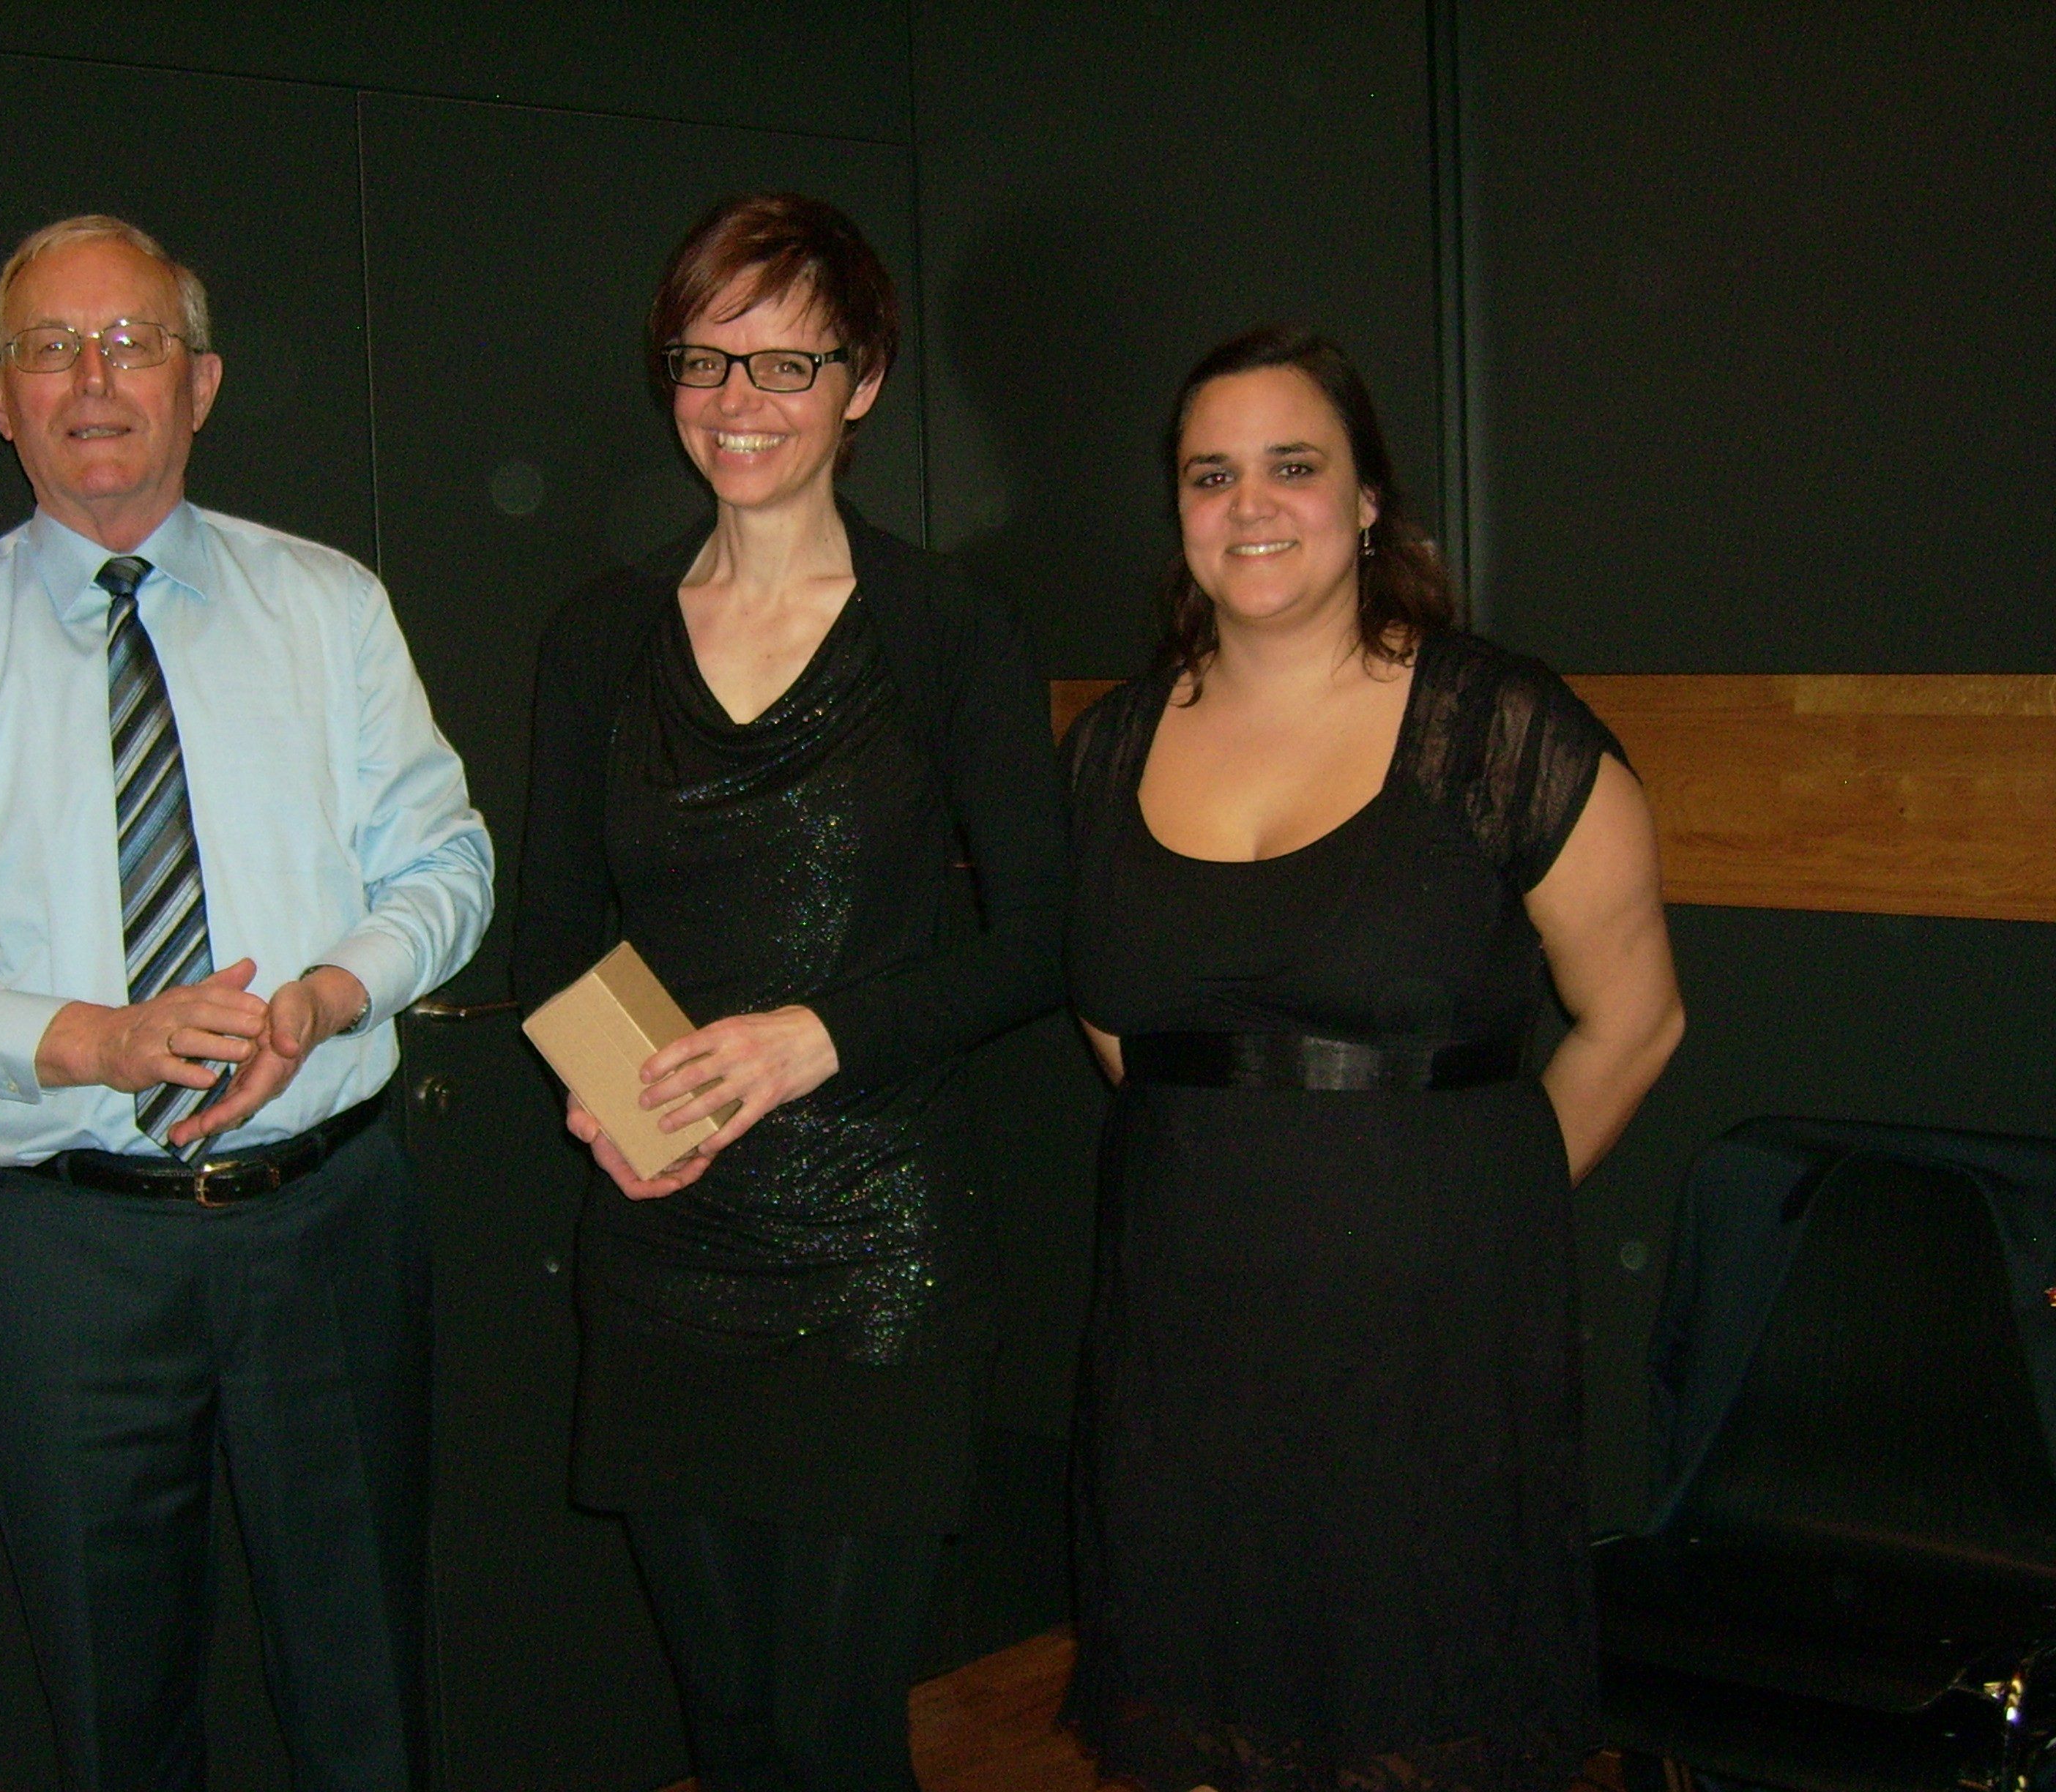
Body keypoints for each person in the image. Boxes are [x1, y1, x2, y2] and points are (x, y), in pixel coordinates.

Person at [0, 214, 493, 1789]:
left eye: (131, 343)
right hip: (73, 1260)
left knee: (367, 1696)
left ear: (201, 382)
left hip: (328, 1228)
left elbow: (447, 865)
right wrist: (95, 1042)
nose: (92, 380)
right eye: (49, 348)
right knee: (115, 1716)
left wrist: (327, 998)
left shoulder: (328, 607)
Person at [1062, 324, 1684, 1792]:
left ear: (1366, 501)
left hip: (1430, 1346)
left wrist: (1472, 1207)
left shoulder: (1500, 728)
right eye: (1211, 474)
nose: (1251, 505)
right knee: (1212, 1712)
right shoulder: (1106, 749)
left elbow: (1638, 1020)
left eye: (1294, 466)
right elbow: (1119, 1023)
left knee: (1417, 1719)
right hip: (1184, 1341)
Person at [513, 192, 1068, 1791]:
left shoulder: (947, 627)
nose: (737, 403)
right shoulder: (601, 636)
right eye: (705, 360)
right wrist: (613, 1099)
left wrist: (819, 1038)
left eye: (785, 365)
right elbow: (552, 939)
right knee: (734, 1723)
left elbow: (1043, 939)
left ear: (864, 380)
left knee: (834, 1737)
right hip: (665, 1238)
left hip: (879, 1250)